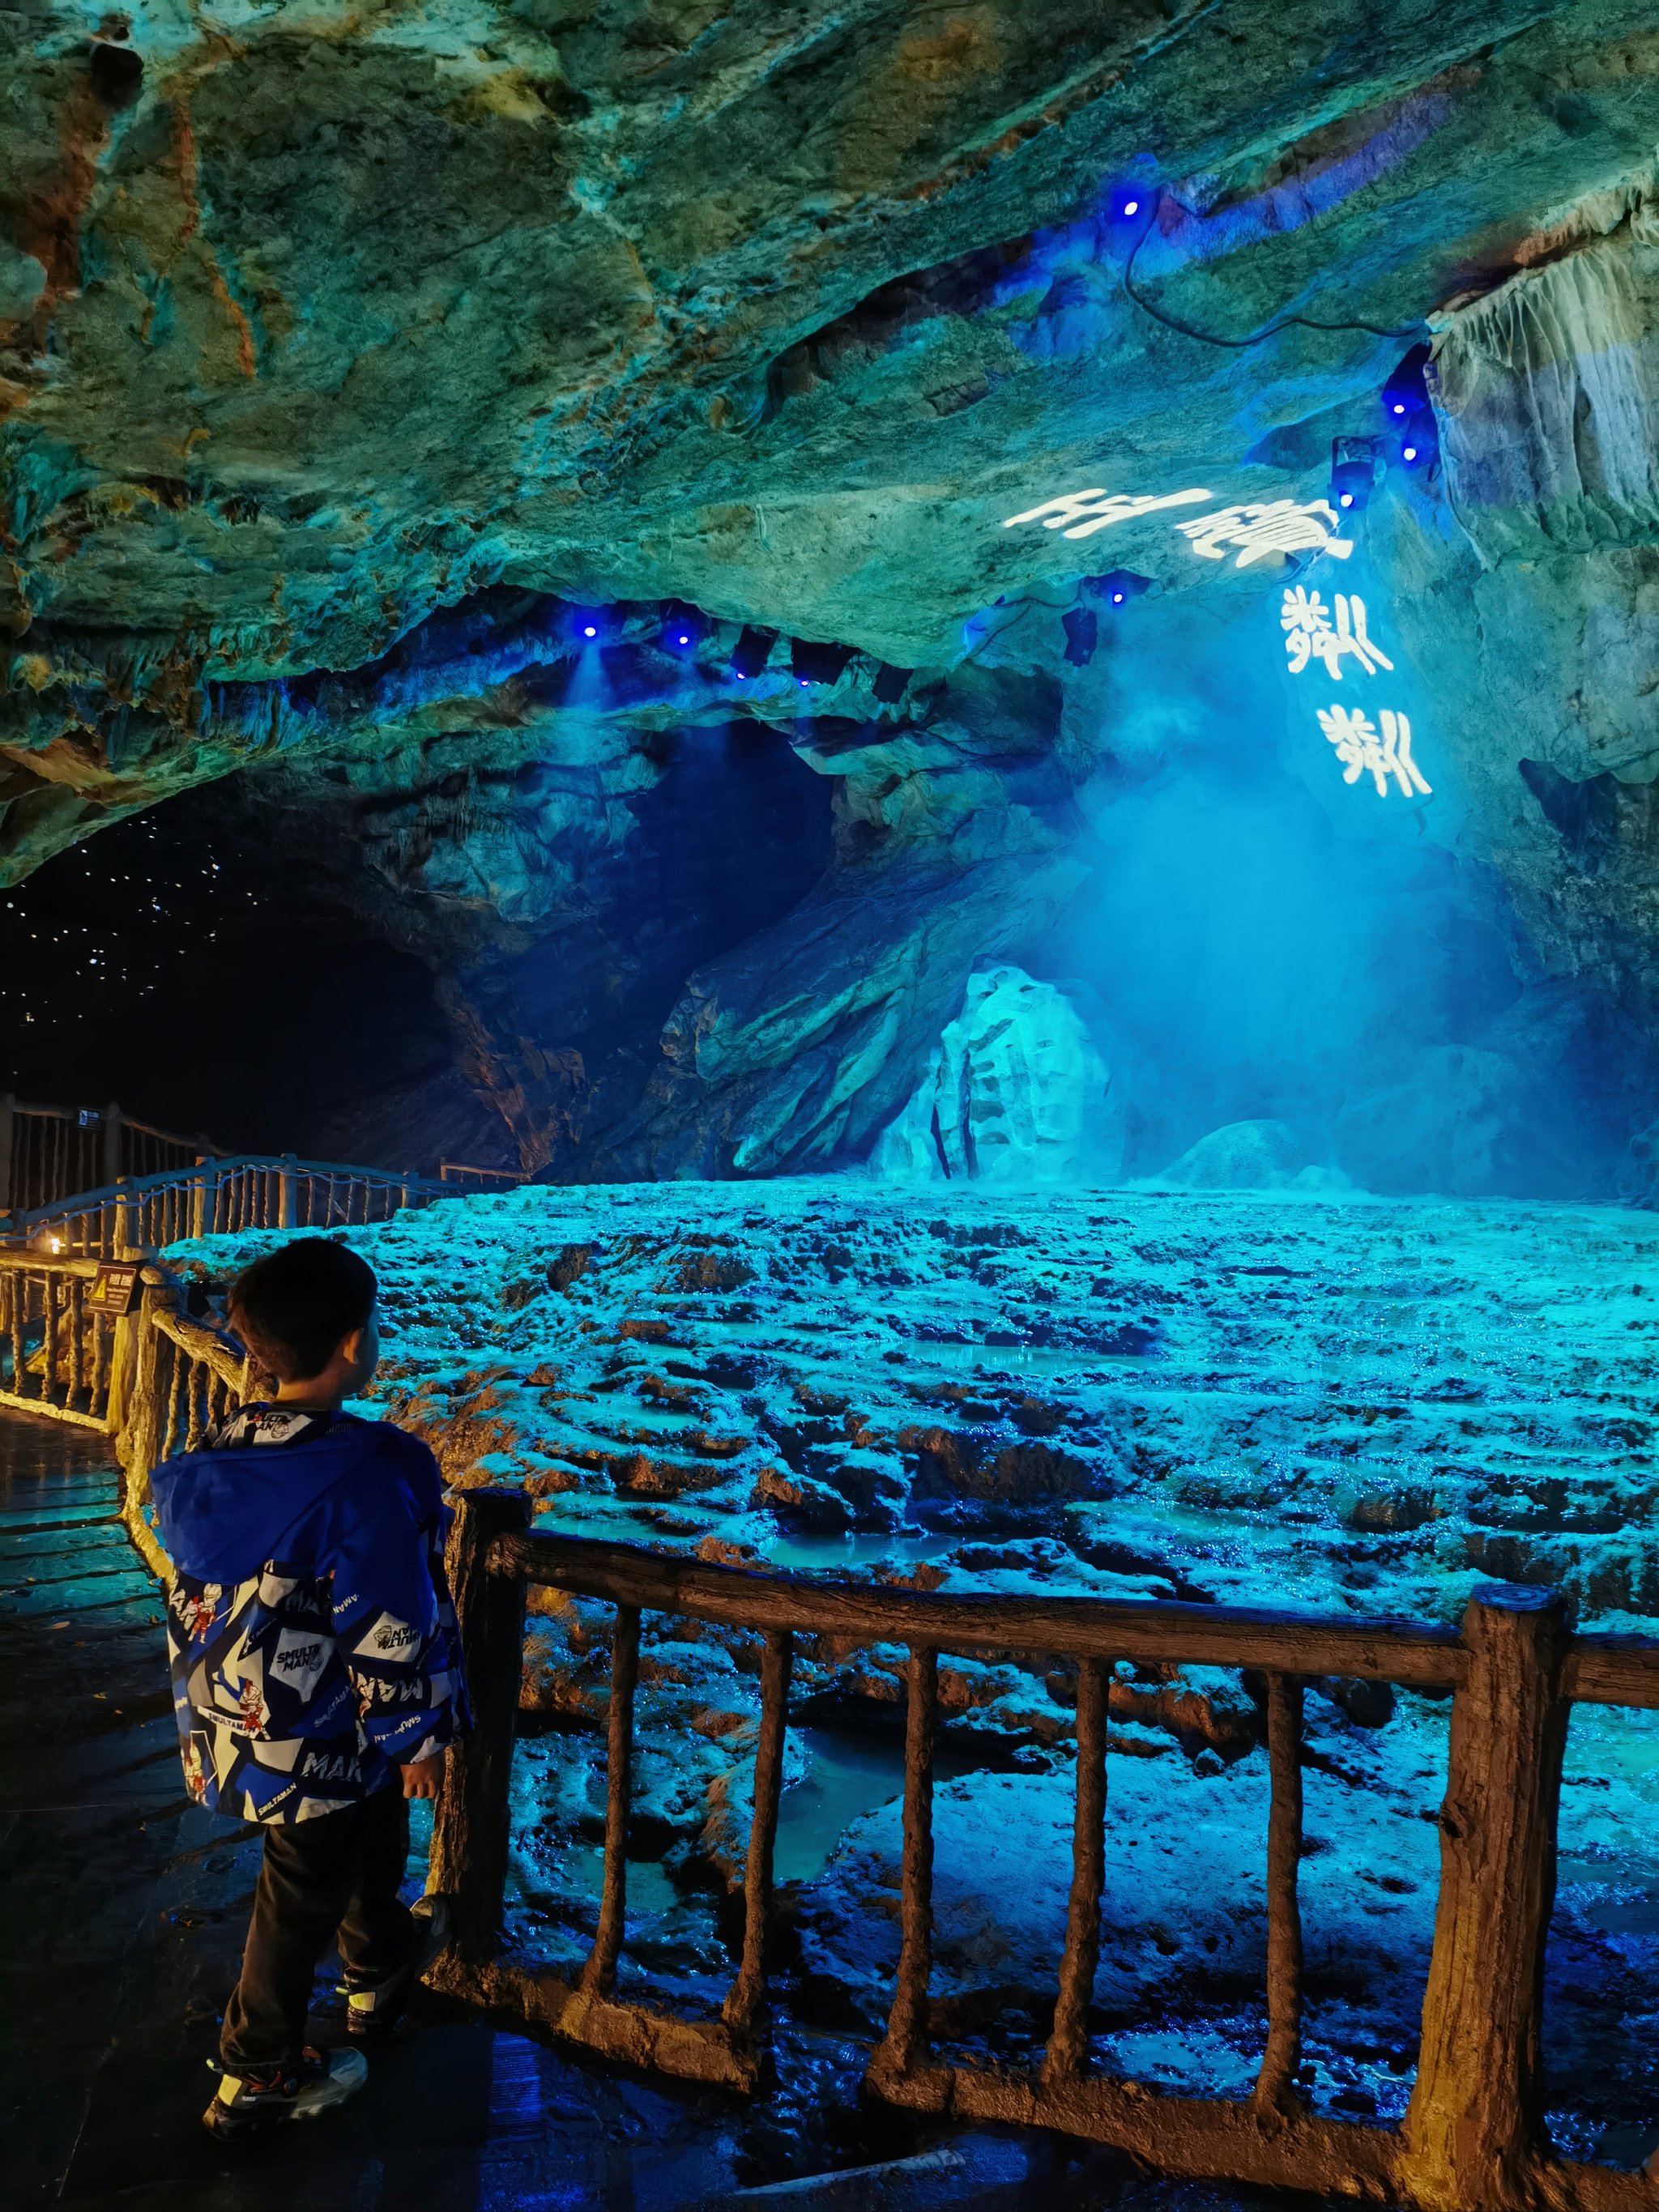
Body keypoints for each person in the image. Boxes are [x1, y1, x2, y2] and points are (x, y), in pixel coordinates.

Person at [152, 1237, 468, 2138]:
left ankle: (377, 1972)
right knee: (299, 1888)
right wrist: (419, 1738)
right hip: (324, 1729)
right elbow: (388, 1620)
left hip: (239, 1722)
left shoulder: (215, 1452)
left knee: (361, 1837)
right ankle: (255, 2071)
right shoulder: (369, 1470)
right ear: (353, 1345)